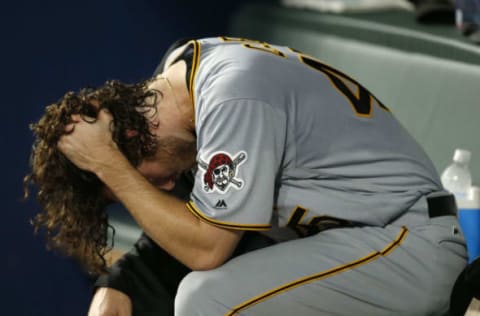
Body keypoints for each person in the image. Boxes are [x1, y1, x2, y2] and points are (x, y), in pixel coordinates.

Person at [26, 36, 468, 316]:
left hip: (407, 244)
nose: (162, 187)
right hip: (359, 245)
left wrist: (109, 165)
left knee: (206, 300)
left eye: (138, 178)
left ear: (128, 134)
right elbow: (183, 218)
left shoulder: (231, 95)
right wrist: (119, 287)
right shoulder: (183, 78)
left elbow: (206, 249)